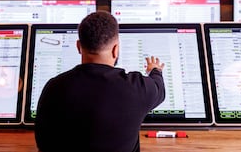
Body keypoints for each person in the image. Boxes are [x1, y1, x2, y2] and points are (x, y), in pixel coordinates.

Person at [35, 11, 165, 152]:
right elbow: (159, 88)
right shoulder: (137, 87)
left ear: (78, 47)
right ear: (116, 50)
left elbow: (43, 142)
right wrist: (155, 70)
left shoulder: (54, 87)